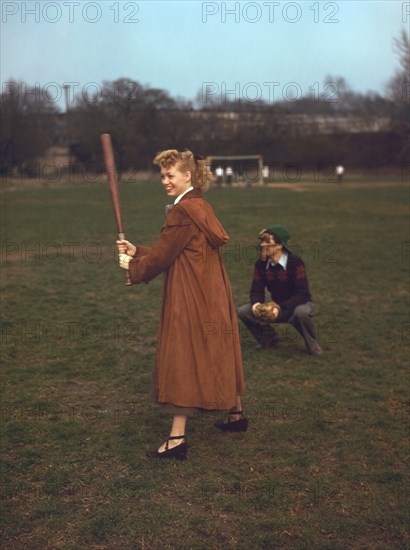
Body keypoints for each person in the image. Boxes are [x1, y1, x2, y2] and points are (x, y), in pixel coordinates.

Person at [117, 149, 246, 460]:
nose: (164, 181)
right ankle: (235, 415)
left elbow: (162, 258)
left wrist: (133, 268)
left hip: (191, 295)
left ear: (187, 176)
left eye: (170, 175)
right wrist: (136, 251)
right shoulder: (198, 205)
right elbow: (174, 250)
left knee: (183, 355)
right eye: (162, 175)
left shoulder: (182, 211)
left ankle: (177, 439)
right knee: (216, 347)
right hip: (212, 292)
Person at [237, 225, 323, 356]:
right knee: (244, 311)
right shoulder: (261, 264)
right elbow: (256, 290)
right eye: (262, 242)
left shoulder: (295, 262)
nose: (262, 245)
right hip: (276, 307)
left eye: (267, 242)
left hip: (297, 305)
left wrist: (279, 307)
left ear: (279, 245)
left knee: (302, 313)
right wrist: (257, 305)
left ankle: (313, 347)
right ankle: (269, 339)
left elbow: (303, 294)